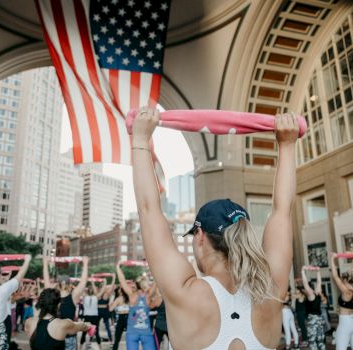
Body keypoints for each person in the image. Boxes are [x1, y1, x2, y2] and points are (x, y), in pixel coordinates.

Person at [130, 107, 298, 348]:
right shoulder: (271, 289)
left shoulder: (185, 291)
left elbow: (148, 209)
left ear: (200, 237)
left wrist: (139, 139)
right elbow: (283, 210)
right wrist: (288, 145)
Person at [43, 255, 89, 350]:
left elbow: (46, 282)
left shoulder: (52, 296)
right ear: (69, 285)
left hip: (54, 335)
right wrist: (85, 264)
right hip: (68, 336)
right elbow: (83, 282)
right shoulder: (73, 296)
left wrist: (45, 263)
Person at [25, 288, 92, 350]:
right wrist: (89, 325)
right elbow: (82, 326)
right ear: (58, 304)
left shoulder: (29, 322)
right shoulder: (63, 324)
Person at [116, 264, 156, 350]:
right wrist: (154, 269)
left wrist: (118, 267)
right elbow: (157, 281)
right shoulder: (148, 296)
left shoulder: (131, 295)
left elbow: (122, 280)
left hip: (132, 333)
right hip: (146, 333)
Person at [330, 253, 353, 350]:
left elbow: (335, 276)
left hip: (345, 323)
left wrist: (332, 259)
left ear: (345, 280)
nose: (341, 280)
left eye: (342, 278)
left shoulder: (346, 291)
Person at [301, 267, 325, 350]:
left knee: (312, 341)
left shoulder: (311, 295)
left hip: (312, 320)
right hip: (319, 319)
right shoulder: (317, 293)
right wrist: (318, 272)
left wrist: (303, 271)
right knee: (321, 341)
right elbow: (319, 282)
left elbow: (305, 284)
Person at [96, 276, 115, 342]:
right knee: (95, 326)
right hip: (98, 311)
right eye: (101, 287)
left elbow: (112, 286)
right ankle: (96, 338)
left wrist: (114, 278)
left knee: (107, 327)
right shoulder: (98, 294)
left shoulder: (107, 294)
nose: (102, 288)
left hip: (105, 311)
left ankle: (111, 340)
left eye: (103, 287)